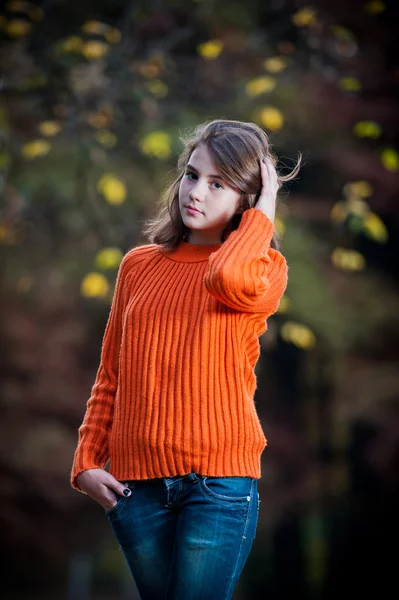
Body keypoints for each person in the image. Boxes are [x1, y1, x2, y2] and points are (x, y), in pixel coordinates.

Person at [70, 119, 302, 600]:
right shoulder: (139, 265)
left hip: (217, 485)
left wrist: (265, 213)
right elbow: (111, 371)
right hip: (136, 489)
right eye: (192, 175)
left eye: (219, 185)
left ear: (248, 198)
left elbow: (223, 277)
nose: (195, 192)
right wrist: (87, 459)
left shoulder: (264, 272)